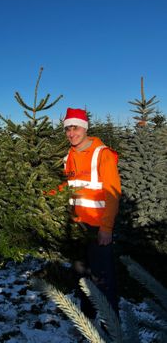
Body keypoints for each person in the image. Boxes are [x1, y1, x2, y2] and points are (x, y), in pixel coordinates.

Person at [63, 108, 121, 319]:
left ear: (85, 128)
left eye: (75, 128)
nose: (71, 133)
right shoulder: (69, 155)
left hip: (98, 229)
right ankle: (88, 324)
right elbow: (66, 186)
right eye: (68, 129)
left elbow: (113, 194)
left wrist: (106, 228)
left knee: (103, 281)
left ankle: (111, 329)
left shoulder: (101, 154)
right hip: (77, 227)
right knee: (83, 280)